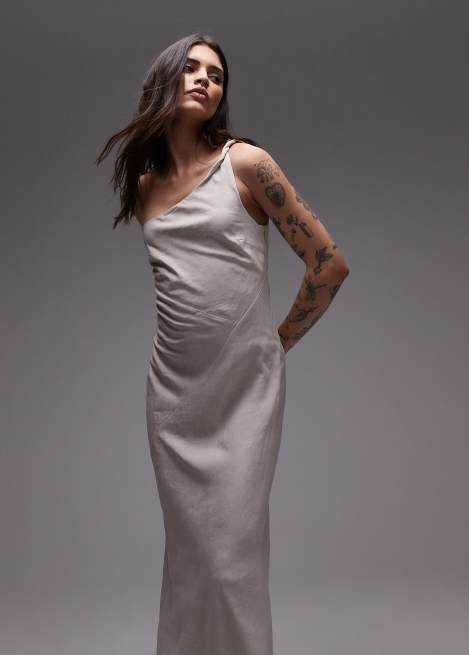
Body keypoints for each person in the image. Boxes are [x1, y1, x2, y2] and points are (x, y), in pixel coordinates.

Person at [96, 32, 349, 655]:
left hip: (243, 394)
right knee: (190, 564)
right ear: (165, 78)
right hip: (173, 399)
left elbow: (329, 264)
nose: (206, 79)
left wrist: (274, 345)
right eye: (191, 68)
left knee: (230, 566)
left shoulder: (247, 164)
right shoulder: (146, 187)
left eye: (217, 74)